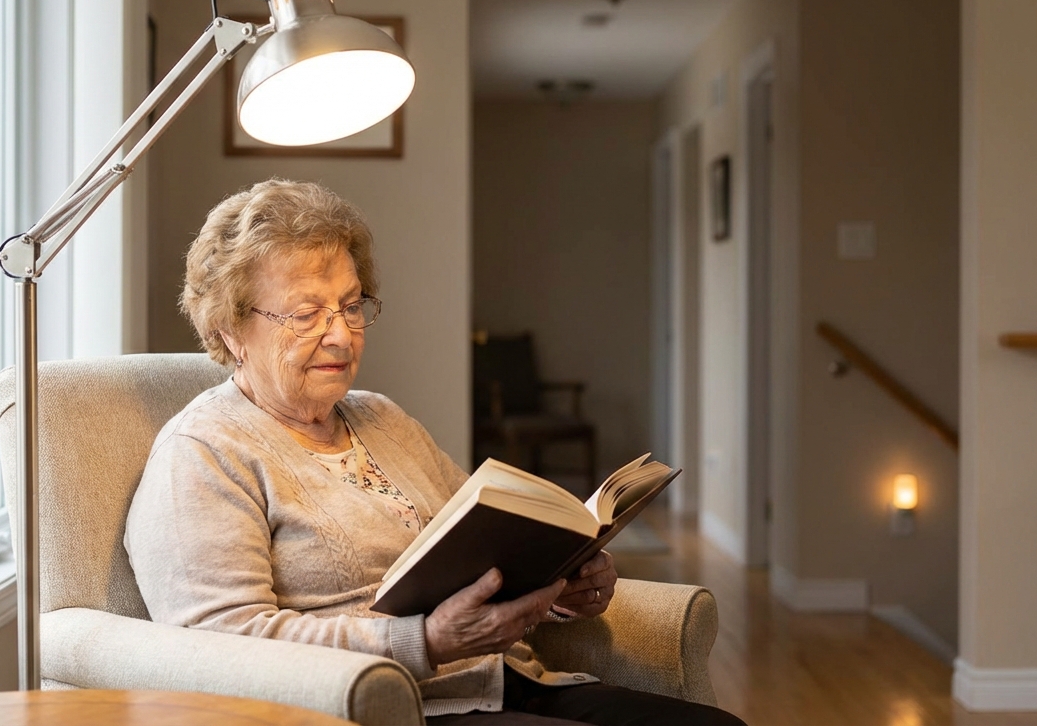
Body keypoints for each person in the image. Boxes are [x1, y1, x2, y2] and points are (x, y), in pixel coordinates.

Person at [124, 179, 744, 726]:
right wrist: (422, 641)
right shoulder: (204, 453)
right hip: (380, 712)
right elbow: (219, 644)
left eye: (350, 304)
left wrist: (559, 585)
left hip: (504, 684)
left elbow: (484, 544)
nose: (341, 333)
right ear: (231, 330)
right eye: (306, 313)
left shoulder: (382, 417)